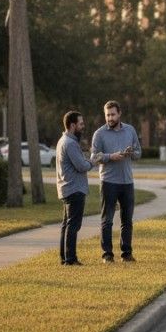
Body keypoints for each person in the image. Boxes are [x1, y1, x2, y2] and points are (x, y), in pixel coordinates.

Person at [91, 101, 141, 263]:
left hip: (127, 182)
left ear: (119, 114)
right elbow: (94, 157)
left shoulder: (130, 130)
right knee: (108, 220)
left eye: (112, 114)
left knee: (127, 220)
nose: (110, 118)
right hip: (108, 182)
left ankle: (126, 253)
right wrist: (110, 157)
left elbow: (139, 153)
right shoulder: (99, 134)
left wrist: (131, 153)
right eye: (107, 115)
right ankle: (107, 255)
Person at [56, 111, 100, 266]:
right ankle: (70, 259)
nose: (83, 126)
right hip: (74, 189)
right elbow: (81, 166)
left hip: (67, 188)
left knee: (67, 224)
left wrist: (87, 161)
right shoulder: (70, 143)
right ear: (72, 125)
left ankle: (64, 257)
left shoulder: (63, 140)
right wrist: (94, 161)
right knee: (73, 225)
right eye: (80, 124)